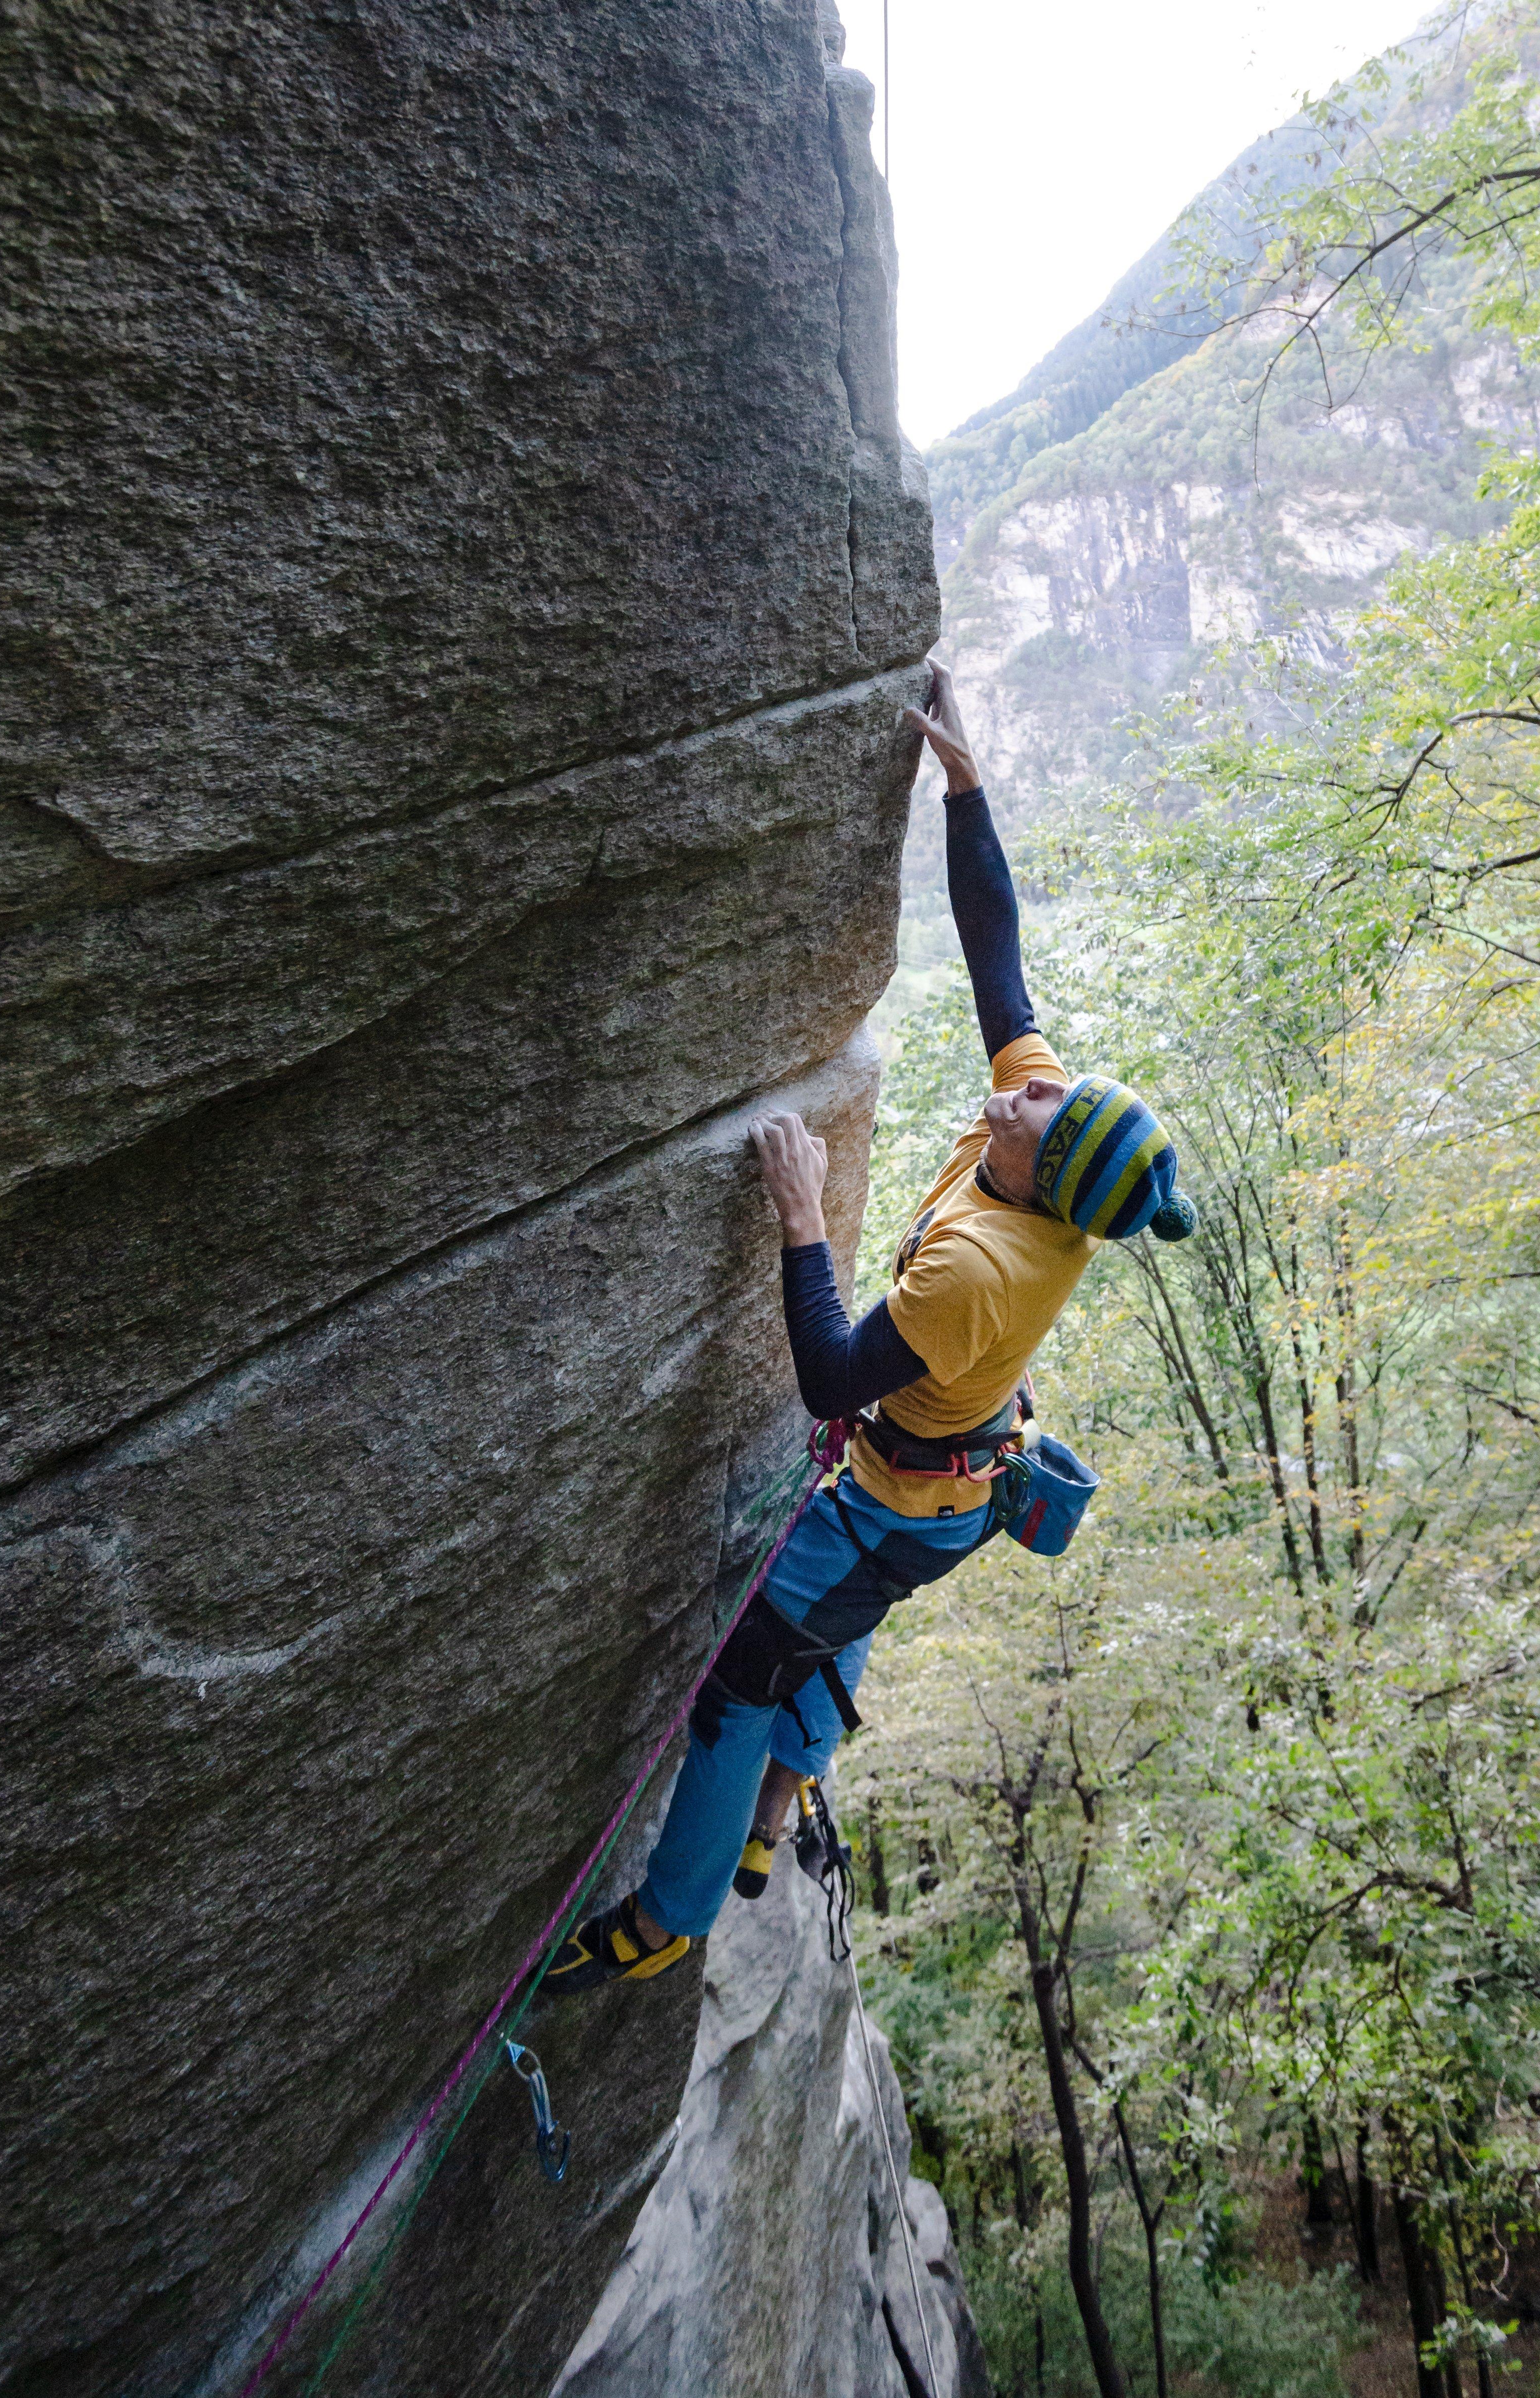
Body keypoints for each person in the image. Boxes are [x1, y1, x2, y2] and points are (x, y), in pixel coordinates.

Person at [544, 663, 1196, 1994]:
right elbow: (999, 965)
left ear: (1044, 1178)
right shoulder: (1044, 1143)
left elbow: (836, 1373)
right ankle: (771, 1821)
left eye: (1037, 1114)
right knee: (830, 1633)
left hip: (904, 1508)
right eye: (1042, 1097)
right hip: (936, 1478)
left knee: (747, 1671)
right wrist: (964, 793)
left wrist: (797, 1217)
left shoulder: (982, 1268)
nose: (1022, 1091)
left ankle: (671, 1915)